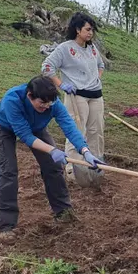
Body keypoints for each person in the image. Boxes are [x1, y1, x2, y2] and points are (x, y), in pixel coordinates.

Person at [0, 75, 104, 242]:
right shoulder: (12, 99)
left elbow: (69, 126)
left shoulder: (52, 102)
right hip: (3, 127)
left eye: (49, 104)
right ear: (30, 96)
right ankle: (6, 225)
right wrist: (52, 150)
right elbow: (25, 135)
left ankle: (63, 211)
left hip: (36, 128)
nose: (46, 107)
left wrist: (85, 151)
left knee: (53, 166)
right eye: (42, 103)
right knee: (8, 171)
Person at [42, 12, 107, 189]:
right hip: (76, 95)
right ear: (77, 30)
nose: (90, 33)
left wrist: (96, 78)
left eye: (92, 30)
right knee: (77, 131)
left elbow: (101, 65)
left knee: (96, 131)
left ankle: (96, 168)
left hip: (96, 95)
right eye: (87, 29)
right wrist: (61, 84)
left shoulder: (92, 49)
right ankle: (73, 169)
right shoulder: (65, 48)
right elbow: (47, 67)